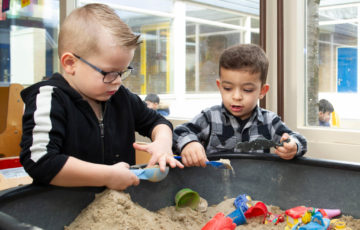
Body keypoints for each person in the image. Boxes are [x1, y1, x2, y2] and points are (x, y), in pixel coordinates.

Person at [19, 3, 183, 191]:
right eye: (109, 73)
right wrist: (106, 176)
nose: (118, 81)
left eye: (122, 72)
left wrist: (163, 142)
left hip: (117, 206)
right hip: (63, 207)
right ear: (70, 63)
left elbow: (157, 121)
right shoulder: (49, 98)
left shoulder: (120, 97)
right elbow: (40, 160)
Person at [173, 44, 307, 167]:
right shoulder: (209, 118)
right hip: (215, 188)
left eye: (247, 90)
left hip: (255, 188)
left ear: (262, 91)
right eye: (227, 88)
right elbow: (178, 133)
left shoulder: (269, 121)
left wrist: (293, 146)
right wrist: (189, 144)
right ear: (219, 86)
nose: (236, 97)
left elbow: (299, 139)